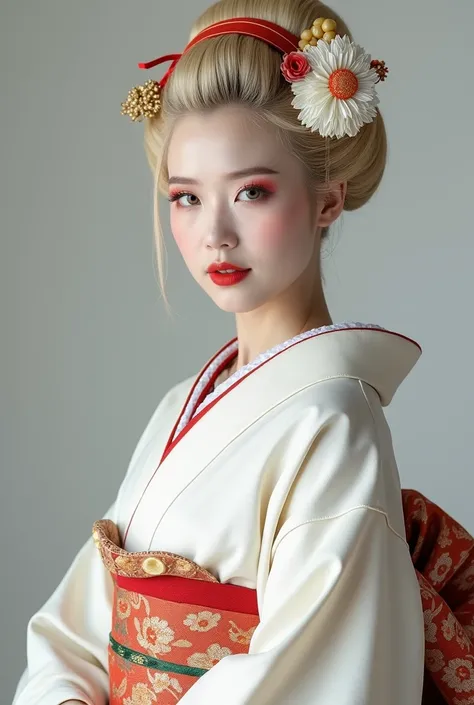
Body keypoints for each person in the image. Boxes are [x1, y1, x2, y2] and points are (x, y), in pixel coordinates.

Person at [13, 1, 427, 703]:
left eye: (252, 192)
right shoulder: (183, 404)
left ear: (328, 199)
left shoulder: (336, 426)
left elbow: (314, 679)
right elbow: (75, 630)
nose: (215, 235)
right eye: (185, 198)